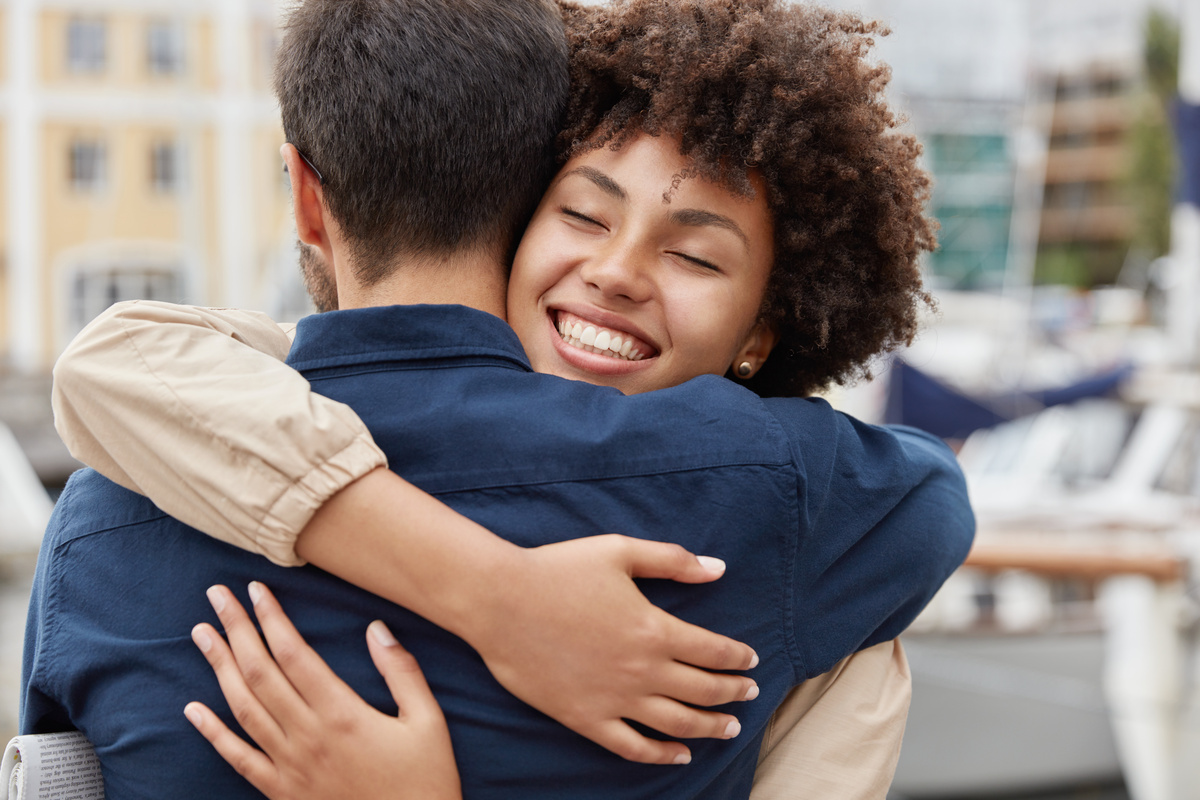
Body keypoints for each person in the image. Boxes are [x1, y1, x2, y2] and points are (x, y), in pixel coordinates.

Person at [28, 0, 973, 797]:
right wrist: (495, 596)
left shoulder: (104, 511)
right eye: (587, 213)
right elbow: (935, 504)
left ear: (308, 198)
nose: (615, 272)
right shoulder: (791, 506)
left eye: (692, 254)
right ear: (521, 196)